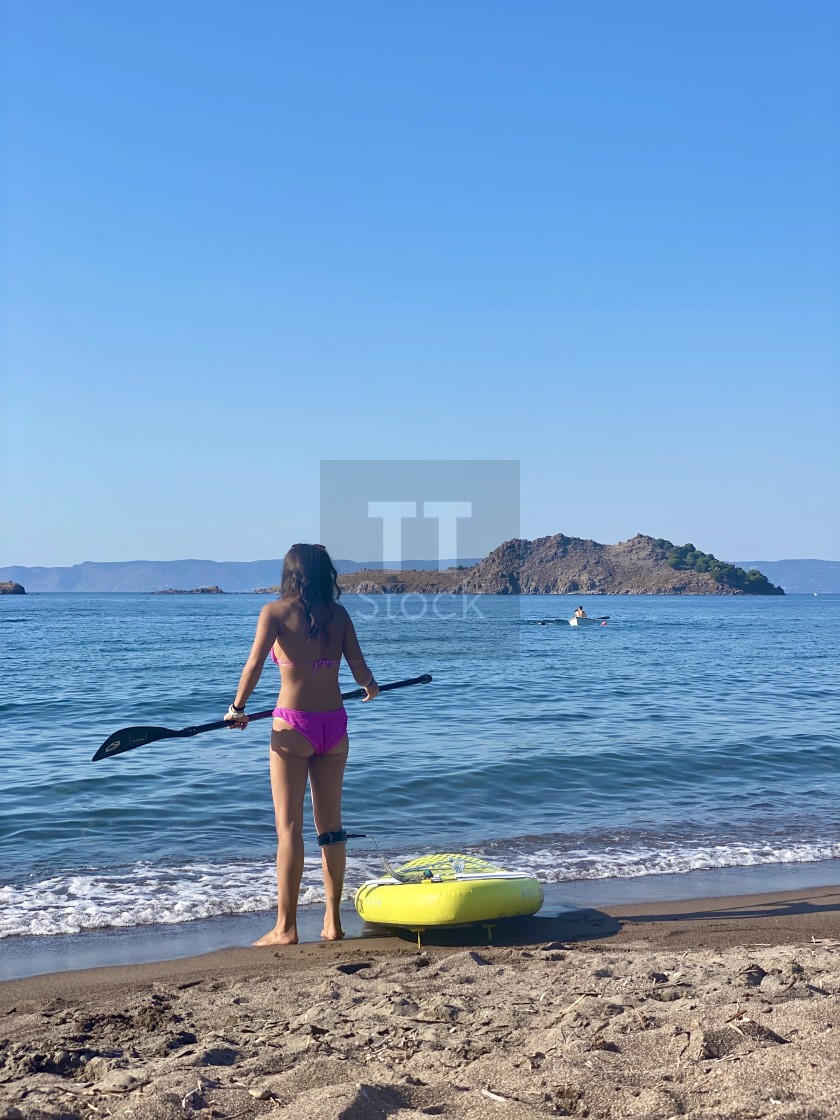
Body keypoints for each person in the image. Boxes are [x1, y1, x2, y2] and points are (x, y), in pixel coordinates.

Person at [224, 543, 379, 945]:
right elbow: (360, 668)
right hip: (335, 727)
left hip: (292, 728)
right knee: (331, 828)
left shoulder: (274, 613)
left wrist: (237, 708)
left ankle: (286, 928)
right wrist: (369, 687)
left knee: (289, 828)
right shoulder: (340, 615)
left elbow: (254, 665)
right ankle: (333, 923)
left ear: (290, 573)